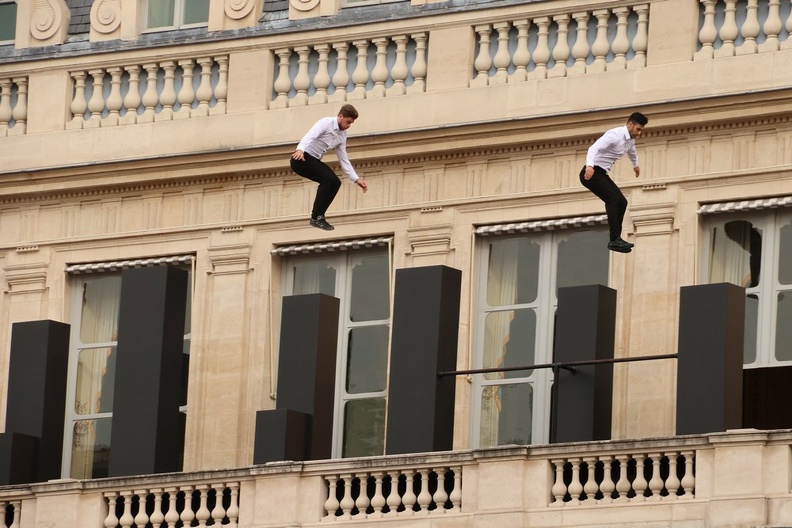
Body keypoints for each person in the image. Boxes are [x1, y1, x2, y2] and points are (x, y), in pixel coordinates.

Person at [290, 104, 368, 231]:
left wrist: (356, 179)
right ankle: (316, 217)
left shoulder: (342, 135)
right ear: (340, 116)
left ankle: (319, 217)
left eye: (351, 123)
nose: (348, 126)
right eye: (347, 122)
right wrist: (300, 149)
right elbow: (311, 135)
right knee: (328, 179)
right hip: (301, 158)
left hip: (313, 160)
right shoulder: (326, 122)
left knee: (335, 182)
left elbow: (343, 158)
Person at [579, 112, 649, 253]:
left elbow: (632, 153)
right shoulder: (614, 135)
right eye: (638, 129)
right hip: (591, 174)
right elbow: (593, 148)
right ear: (630, 125)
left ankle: (617, 239)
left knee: (622, 202)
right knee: (613, 200)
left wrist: (635, 166)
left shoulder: (630, 141)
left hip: (601, 173)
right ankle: (614, 240)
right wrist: (589, 166)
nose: (639, 133)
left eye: (641, 130)